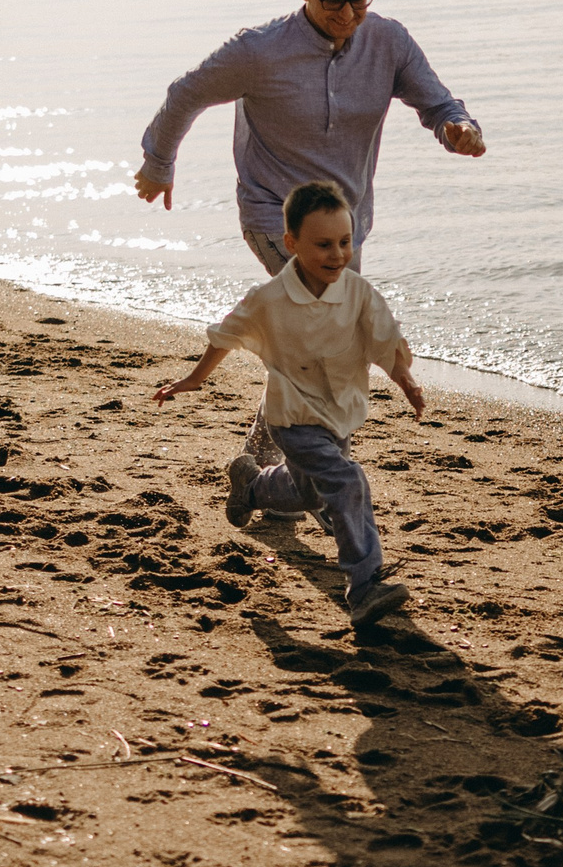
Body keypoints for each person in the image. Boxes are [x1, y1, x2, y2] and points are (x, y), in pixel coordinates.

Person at [135, 0, 483, 460]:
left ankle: (259, 464)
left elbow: (439, 104)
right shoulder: (258, 51)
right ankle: (318, 470)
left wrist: (458, 128)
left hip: (345, 228)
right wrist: (159, 164)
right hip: (276, 217)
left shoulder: (388, 43)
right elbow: (186, 94)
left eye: (358, 0)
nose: (347, 14)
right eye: (332, 0)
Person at [153, 181, 423, 630]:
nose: (337, 254)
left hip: (338, 415)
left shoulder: (358, 293)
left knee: (311, 493)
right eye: (323, 244)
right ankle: (365, 586)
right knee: (347, 480)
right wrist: (194, 380)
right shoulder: (269, 299)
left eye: (345, 242)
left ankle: (252, 487)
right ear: (291, 243)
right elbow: (226, 334)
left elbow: (384, 342)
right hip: (294, 419)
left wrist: (406, 380)